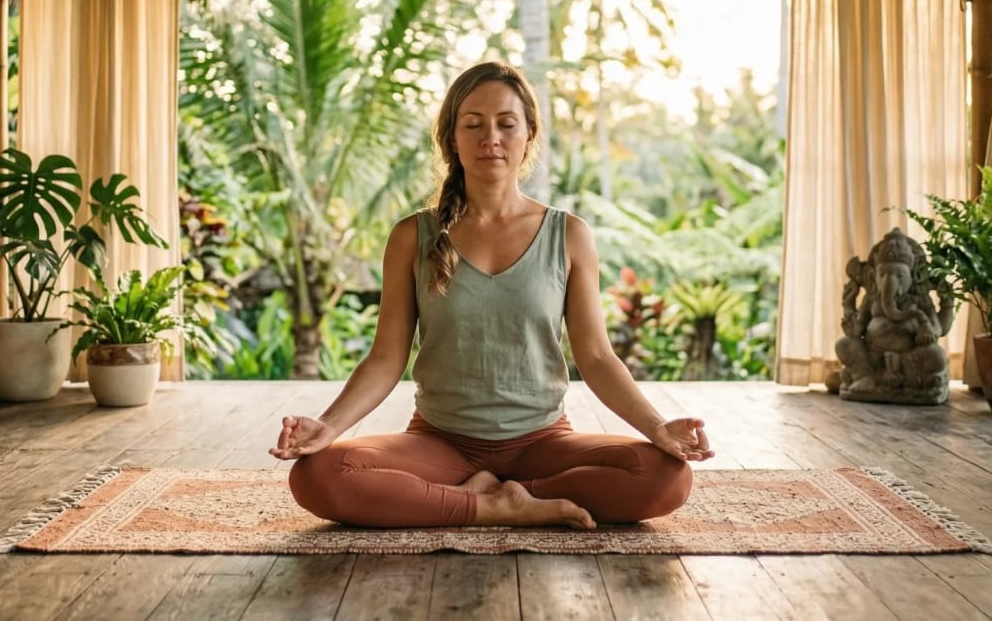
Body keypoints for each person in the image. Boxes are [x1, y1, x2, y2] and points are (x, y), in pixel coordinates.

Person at [270, 61, 713, 529]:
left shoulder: (568, 235)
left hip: (543, 443)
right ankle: (492, 507)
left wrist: (657, 428)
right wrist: (329, 427)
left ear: (528, 135)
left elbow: (598, 358)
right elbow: (385, 358)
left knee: (666, 477)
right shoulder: (412, 236)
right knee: (317, 474)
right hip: (441, 443)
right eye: (473, 124)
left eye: (506, 123)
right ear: (452, 139)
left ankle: (505, 498)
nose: (491, 139)